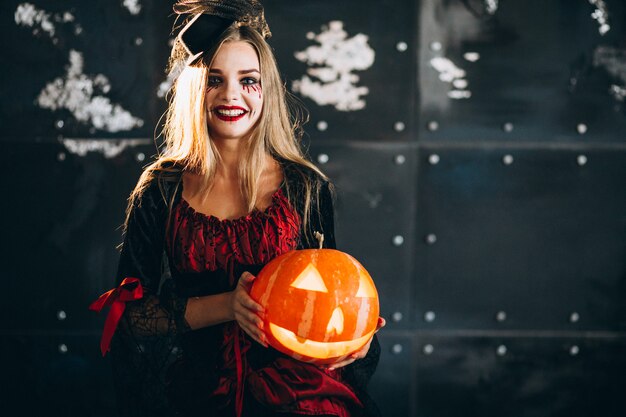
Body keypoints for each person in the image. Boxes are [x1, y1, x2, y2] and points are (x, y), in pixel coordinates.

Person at [92, 1, 383, 416]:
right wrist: (227, 305)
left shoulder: (305, 188)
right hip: (194, 396)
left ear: (266, 91)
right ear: (197, 89)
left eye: (249, 80)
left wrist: (356, 336)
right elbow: (131, 318)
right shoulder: (162, 190)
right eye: (215, 79)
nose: (231, 94)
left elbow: (333, 287)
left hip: (293, 399)